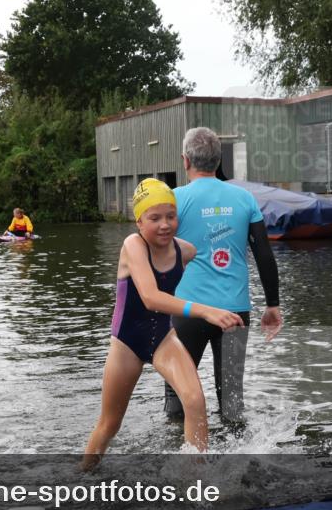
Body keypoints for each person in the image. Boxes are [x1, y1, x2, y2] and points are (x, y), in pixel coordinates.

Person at [82, 179, 244, 468]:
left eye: (170, 216)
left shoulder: (186, 250)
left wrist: (225, 305)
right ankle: (83, 476)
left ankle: (196, 481)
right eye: (154, 218)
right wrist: (206, 311)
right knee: (109, 425)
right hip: (126, 345)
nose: (164, 224)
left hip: (163, 340)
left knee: (194, 401)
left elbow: (214, 265)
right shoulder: (133, 245)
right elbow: (150, 298)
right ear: (139, 221)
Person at [163, 127, 282, 423]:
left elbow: (153, 253)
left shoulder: (173, 200)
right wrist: (272, 305)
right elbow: (264, 255)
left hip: (188, 310)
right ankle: (236, 459)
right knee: (231, 401)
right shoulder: (244, 199)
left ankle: (181, 458)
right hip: (235, 310)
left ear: (185, 161)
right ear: (218, 161)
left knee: (177, 398)